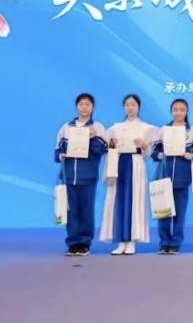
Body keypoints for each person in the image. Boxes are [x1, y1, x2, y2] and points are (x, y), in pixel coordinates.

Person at [54, 92, 108, 256]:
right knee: (71, 211)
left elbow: (102, 150)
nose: (84, 107)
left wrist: (91, 137)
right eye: (81, 104)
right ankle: (72, 243)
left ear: (93, 107)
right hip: (69, 176)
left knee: (86, 210)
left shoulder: (98, 127)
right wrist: (61, 155)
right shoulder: (66, 127)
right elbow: (58, 150)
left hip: (88, 177)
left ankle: (84, 244)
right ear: (76, 106)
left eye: (87, 104)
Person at [100, 94, 153, 255]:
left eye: (133, 104)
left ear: (139, 107)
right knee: (117, 200)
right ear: (123, 107)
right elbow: (107, 147)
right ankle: (121, 241)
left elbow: (149, 153)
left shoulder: (147, 128)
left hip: (135, 163)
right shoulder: (115, 128)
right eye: (127, 104)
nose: (130, 107)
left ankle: (132, 241)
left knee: (134, 200)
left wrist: (144, 145)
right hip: (118, 163)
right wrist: (112, 144)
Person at [150, 98, 193, 255]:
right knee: (164, 211)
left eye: (182, 110)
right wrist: (159, 155)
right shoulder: (163, 130)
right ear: (171, 111)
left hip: (182, 177)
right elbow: (154, 152)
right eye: (175, 110)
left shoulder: (192, 132)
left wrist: (192, 155)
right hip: (164, 176)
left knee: (180, 213)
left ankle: (176, 243)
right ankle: (164, 242)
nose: (178, 112)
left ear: (186, 112)